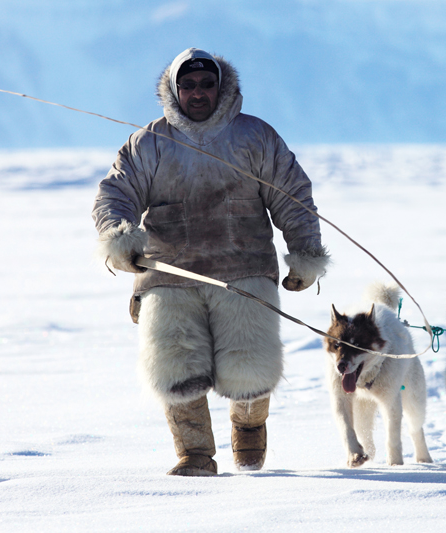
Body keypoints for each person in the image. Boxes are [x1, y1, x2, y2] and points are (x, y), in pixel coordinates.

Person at [92, 48, 329, 476]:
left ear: (222, 87)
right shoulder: (149, 142)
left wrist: (305, 253)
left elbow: (293, 197)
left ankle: (250, 430)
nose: (197, 93)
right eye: (188, 85)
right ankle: (195, 455)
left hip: (245, 269)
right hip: (169, 274)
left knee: (250, 369)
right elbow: (116, 193)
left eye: (206, 84)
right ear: (174, 89)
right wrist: (120, 237)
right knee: (176, 370)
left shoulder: (256, 137)